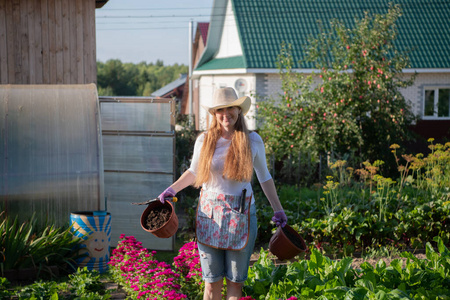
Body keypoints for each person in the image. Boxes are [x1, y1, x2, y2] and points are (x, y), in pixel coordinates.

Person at [158, 87, 287, 300]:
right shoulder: (205, 140)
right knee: (211, 283)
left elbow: (264, 177)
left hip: (242, 216)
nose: (226, 114)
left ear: (239, 110)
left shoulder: (252, 140)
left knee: (235, 284)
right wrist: (172, 189)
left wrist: (278, 209)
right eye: (220, 110)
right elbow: (193, 172)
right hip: (210, 216)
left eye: (230, 109)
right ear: (214, 114)